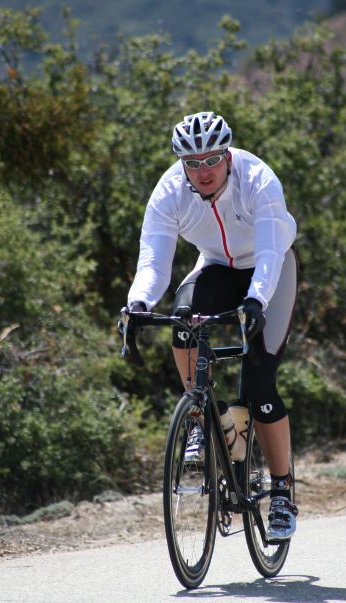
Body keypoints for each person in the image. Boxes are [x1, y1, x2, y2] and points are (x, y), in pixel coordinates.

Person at [121, 111, 299, 540]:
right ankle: (207, 419)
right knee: (182, 321)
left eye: (212, 160)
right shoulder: (169, 191)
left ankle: (281, 493)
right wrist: (136, 303)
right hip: (217, 268)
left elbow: (272, 253)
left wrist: (256, 301)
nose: (203, 171)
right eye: (192, 163)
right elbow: (153, 262)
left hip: (269, 271)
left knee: (258, 385)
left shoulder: (258, 180)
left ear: (228, 156)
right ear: (182, 163)